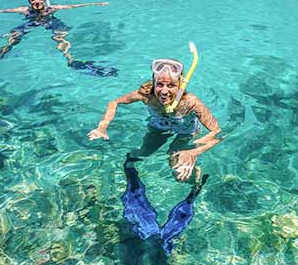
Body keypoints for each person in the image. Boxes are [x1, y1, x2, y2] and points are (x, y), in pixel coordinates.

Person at [87, 44, 222, 254]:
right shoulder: (146, 95)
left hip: (185, 133)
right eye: (160, 84)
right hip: (157, 128)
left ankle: (196, 182)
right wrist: (103, 126)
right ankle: (131, 165)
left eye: (171, 85)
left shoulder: (191, 102)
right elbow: (115, 102)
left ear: (180, 84)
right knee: (141, 155)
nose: (165, 91)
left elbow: (217, 132)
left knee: (178, 170)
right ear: (154, 83)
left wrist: (191, 152)